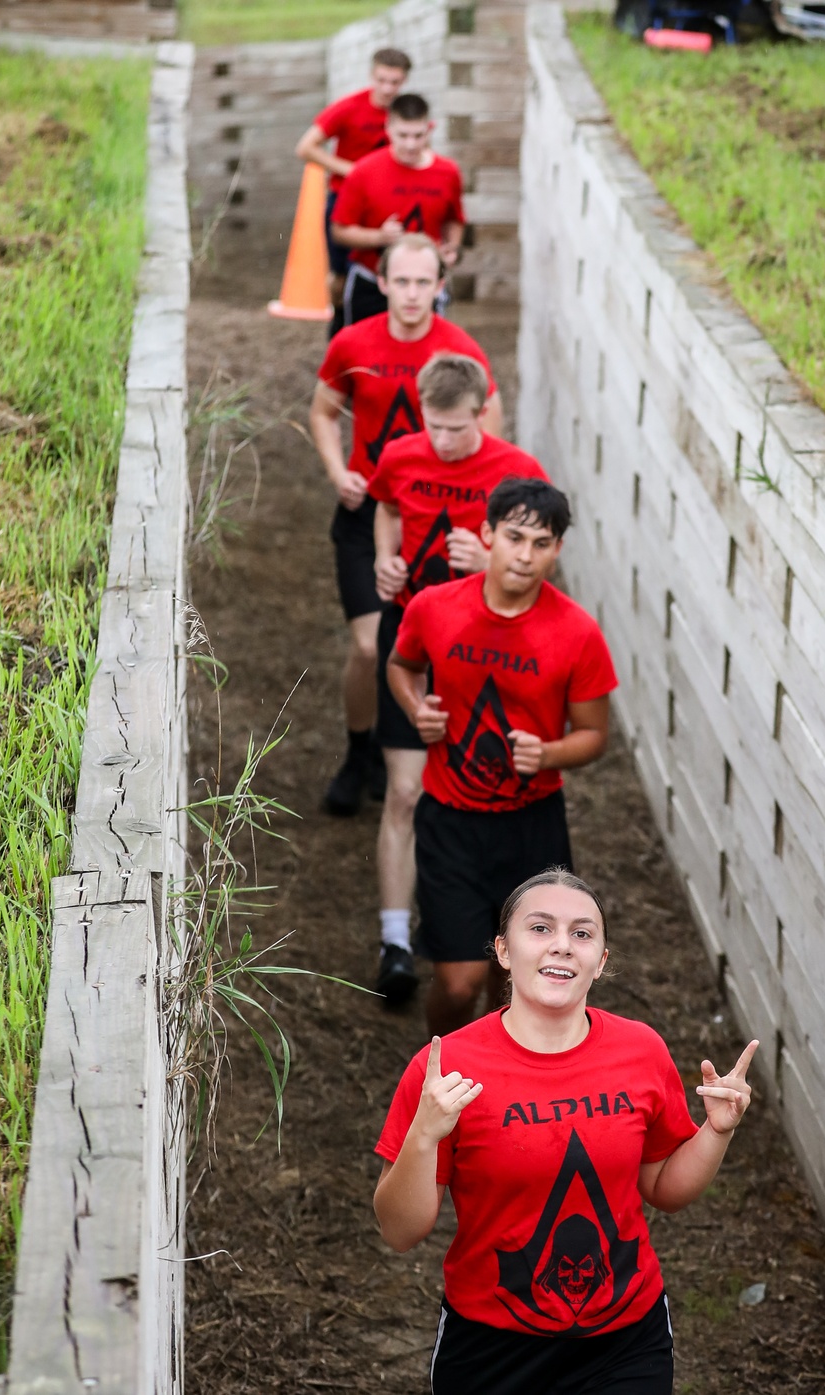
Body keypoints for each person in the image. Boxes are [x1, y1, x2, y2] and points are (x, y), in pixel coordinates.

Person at [374, 867, 759, 1395]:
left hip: (626, 1342)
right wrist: (423, 1135)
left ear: (599, 962)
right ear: (503, 951)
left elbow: (664, 1191)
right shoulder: (445, 1068)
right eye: (540, 929)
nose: (562, 946)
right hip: (492, 1345)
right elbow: (400, 1232)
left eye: (581, 933)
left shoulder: (640, 1050)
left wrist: (716, 1132)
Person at [387, 477, 617, 1036]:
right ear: (487, 534)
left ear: (557, 549)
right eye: (514, 537)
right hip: (449, 819)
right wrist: (418, 709)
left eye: (542, 543)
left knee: (514, 981)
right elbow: (401, 665)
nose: (525, 555)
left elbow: (594, 735)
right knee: (460, 981)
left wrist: (549, 753)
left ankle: (494, 1079)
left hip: (532, 825)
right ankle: (435, 1065)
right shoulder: (434, 607)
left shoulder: (578, 633)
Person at [366, 355, 550, 1007]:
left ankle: (490, 950)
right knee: (406, 791)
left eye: (457, 429)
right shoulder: (401, 455)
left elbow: (544, 562)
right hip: (414, 630)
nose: (443, 442)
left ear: (482, 413)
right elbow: (386, 507)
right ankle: (395, 939)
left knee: (481, 791)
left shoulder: (518, 471)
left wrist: (490, 560)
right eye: (434, 427)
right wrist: (386, 558)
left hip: (486, 646)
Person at [310, 235, 502, 819]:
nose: (413, 294)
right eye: (403, 281)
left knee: (426, 648)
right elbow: (321, 411)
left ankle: (413, 763)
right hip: (368, 510)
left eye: (425, 282)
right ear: (382, 283)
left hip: (433, 521)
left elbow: (495, 446)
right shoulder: (352, 342)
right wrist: (338, 470)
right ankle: (358, 750)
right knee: (370, 646)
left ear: (440, 286)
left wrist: (482, 533)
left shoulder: (462, 353)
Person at [295, 48, 412, 338]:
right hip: (346, 201)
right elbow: (306, 148)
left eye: (395, 82)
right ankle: (339, 328)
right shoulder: (349, 108)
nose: (387, 88)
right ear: (372, 75)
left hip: (389, 204)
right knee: (340, 274)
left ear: (405, 81)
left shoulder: (404, 114)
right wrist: (352, 171)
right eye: (382, 80)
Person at [330, 93, 464, 327]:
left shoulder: (448, 172)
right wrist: (379, 237)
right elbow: (339, 231)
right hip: (371, 282)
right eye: (403, 135)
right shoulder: (364, 171)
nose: (410, 144)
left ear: (430, 129)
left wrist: (451, 249)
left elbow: (455, 220)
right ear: (388, 129)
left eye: (418, 135)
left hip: (423, 286)